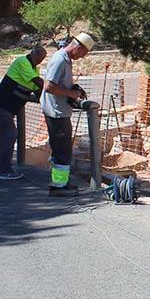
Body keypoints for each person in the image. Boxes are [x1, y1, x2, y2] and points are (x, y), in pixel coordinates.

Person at [41, 33, 94, 197]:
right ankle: (58, 186)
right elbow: (49, 87)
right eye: (83, 53)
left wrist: (73, 89)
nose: (83, 57)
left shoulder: (63, 58)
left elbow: (59, 84)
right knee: (62, 152)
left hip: (58, 111)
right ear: (78, 47)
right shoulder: (60, 60)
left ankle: (60, 182)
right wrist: (72, 95)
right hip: (57, 113)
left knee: (60, 150)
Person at [0, 45, 47, 180]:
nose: (39, 60)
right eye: (37, 56)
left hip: (7, 105)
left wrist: (42, 98)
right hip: (3, 103)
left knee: (0, 136)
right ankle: (3, 169)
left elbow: (36, 89)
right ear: (32, 53)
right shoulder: (22, 62)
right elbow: (37, 82)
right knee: (10, 134)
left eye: (41, 58)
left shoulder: (34, 68)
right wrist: (55, 89)